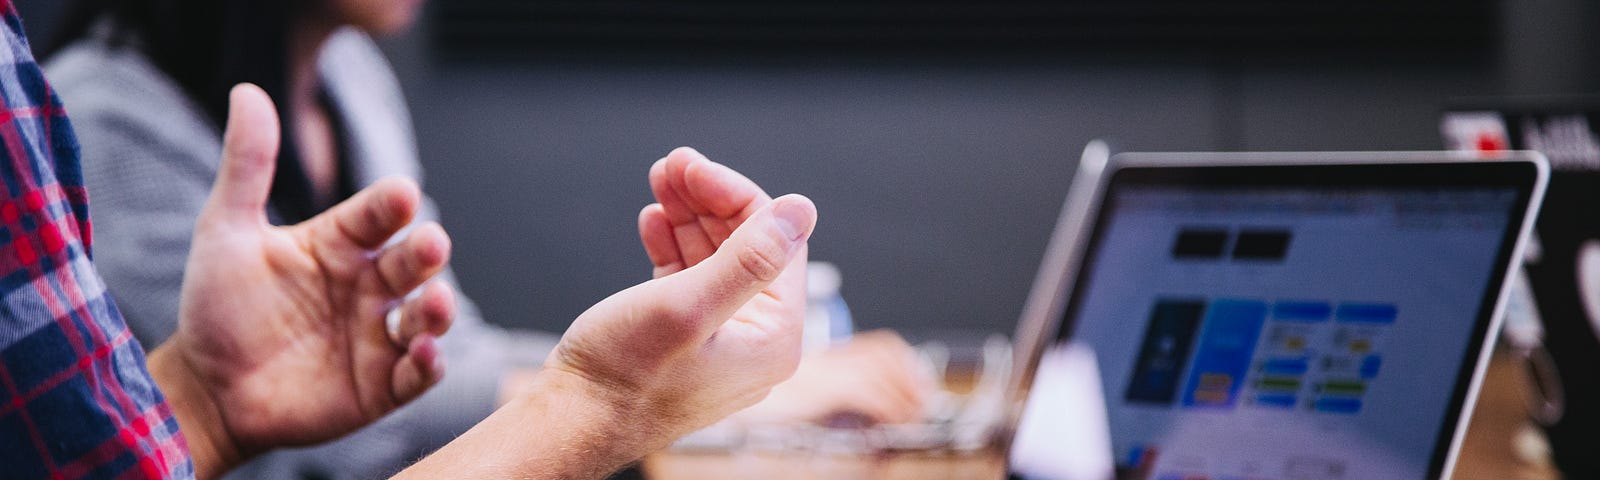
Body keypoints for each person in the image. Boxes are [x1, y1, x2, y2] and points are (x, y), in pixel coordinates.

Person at [44, 1, 927, 477]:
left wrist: (677, 381)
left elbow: (439, 354)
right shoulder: (101, 123)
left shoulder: (349, 77)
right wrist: (661, 393)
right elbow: (358, 435)